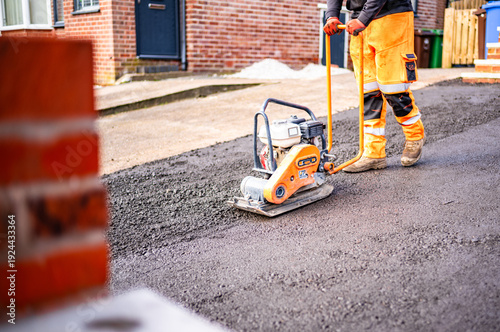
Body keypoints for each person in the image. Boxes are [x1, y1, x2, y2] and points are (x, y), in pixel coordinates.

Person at [323, 0, 425, 172]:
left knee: (393, 88)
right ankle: (373, 153)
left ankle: (415, 136)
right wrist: (331, 15)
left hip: (392, 16)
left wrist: (363, 19)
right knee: (368, 90)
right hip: (359, 22)